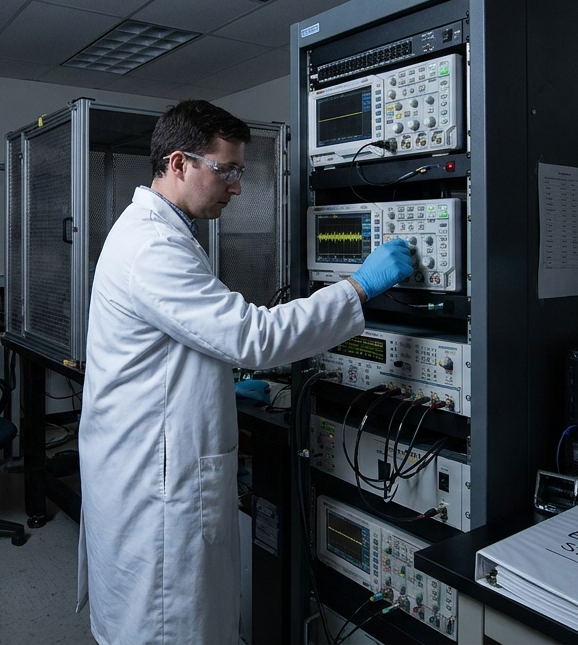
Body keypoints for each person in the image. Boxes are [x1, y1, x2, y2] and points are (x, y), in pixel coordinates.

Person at [76, 100, 414, 645]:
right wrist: (357, 288)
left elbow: (181, 342)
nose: (236, 187)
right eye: (227, 170)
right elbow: (251, 336)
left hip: (141, 459)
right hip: (154, 487)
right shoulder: (153, 246)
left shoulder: (157, 230)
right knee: (170, 629)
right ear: (181, 163)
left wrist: (219, 384)